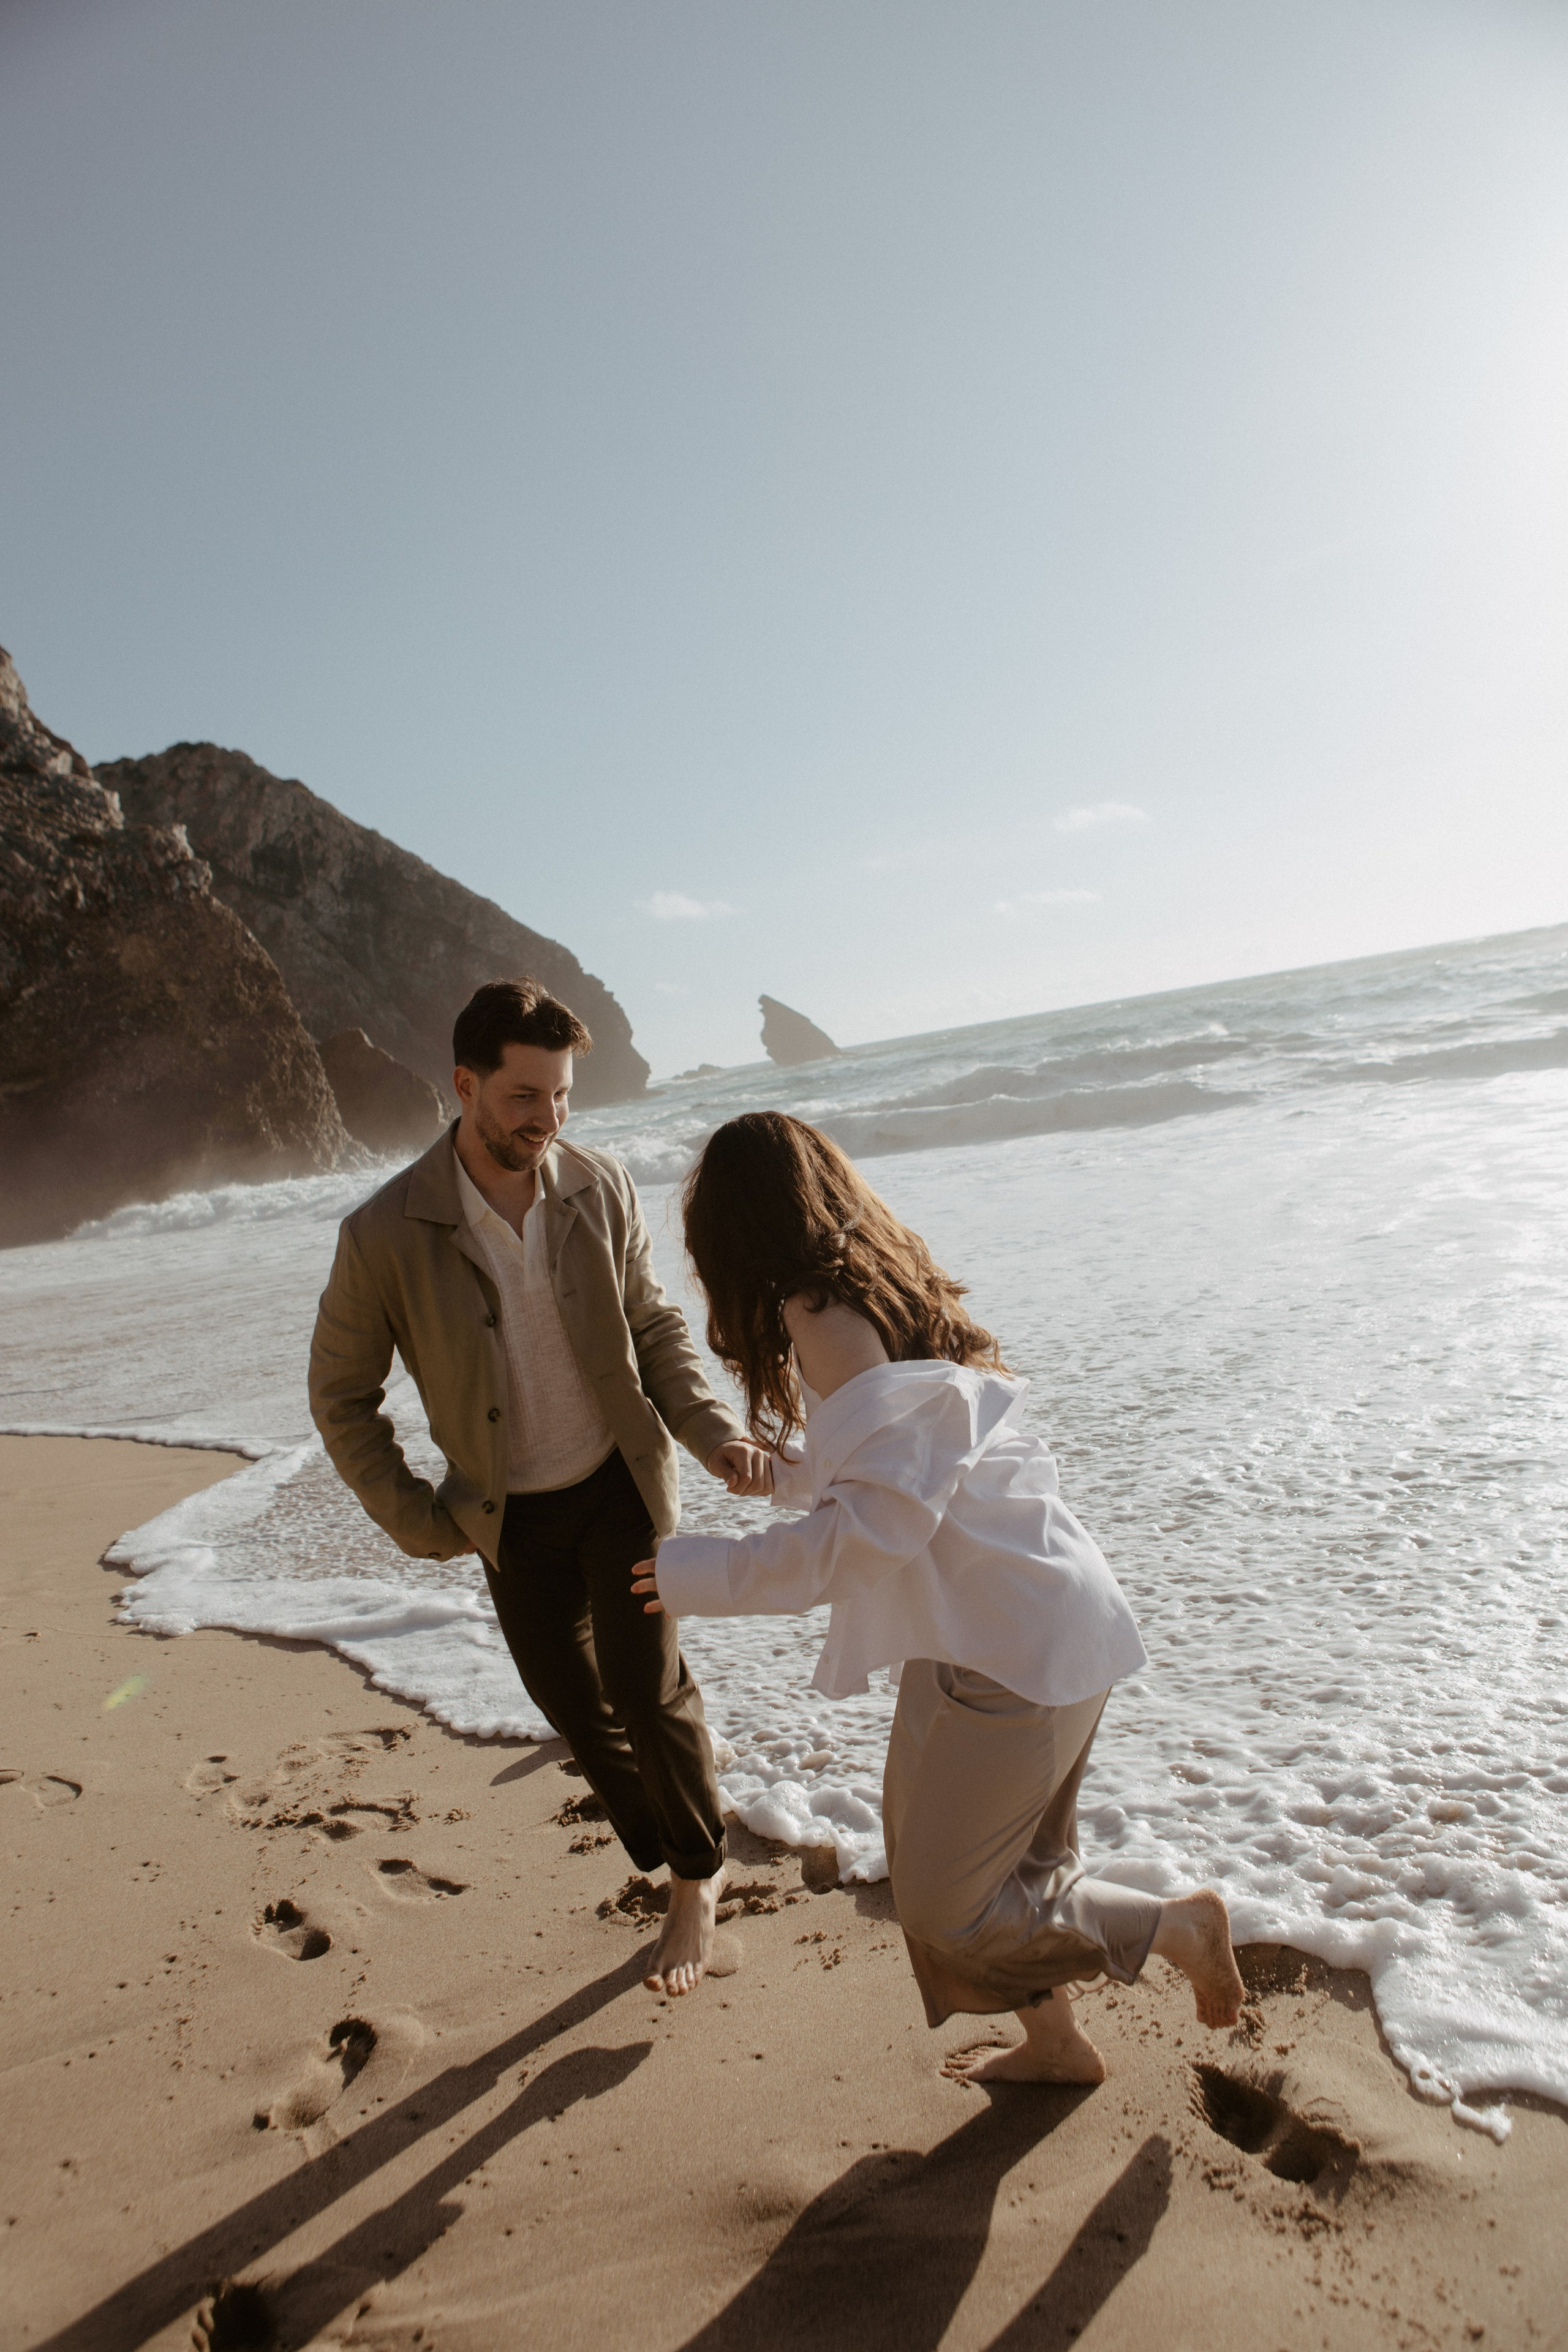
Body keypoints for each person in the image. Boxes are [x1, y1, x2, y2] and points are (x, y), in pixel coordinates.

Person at [633, 1112, 1243, 2082]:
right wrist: (789, 1474)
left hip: (1013, 1650)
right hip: (1027, 1620)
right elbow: (906, 1467)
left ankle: (1176, 1930)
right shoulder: (877, 1275)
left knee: (944, 1902)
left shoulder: (821, 1320)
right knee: (1015, 1872)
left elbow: (860, 1544)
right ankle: (1056, 2044)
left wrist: (692, 1575)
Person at [309, 977, 770, 1997]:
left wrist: (711, 1432)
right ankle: (670, 1831)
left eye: (563, 1096)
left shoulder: (597, 1185)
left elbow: (652, 1325)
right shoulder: (385, 1234)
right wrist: (422, 1523)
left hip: (620, 1483)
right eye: (526, 1097)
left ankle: (698, 1877)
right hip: (505, 1513)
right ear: (466, 1086)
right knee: (570, 1701)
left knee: (649, 1688)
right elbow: (341, 1397)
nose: (549, 1120)